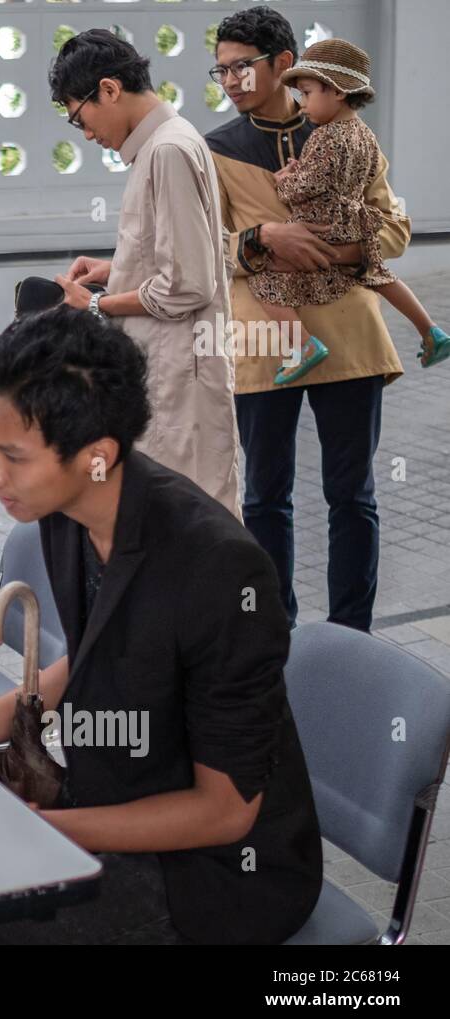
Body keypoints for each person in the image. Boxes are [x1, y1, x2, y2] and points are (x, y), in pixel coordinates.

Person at [0, 307, 321, 945]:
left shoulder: (221, 571)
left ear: (97, 457)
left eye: (11, 455)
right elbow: (102, 651)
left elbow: (225, 813)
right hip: (112, 803)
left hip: (218, 874)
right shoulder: (67, 512)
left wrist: (50, 830)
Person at [207, 8, 412, 631]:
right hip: (268, 340)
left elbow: (396, 227)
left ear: (285, 63)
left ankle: (353, 636)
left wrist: (334, 248)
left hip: (349, 338)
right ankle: (277, 634)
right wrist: (264, 237)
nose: (232, 81)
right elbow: (201, 245)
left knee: (354, 498)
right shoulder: (212, 150)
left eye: (244, 66)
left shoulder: (349, 132)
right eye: (221, 71)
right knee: (265, 499)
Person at [50, 30, 240, 517]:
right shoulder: (167, 142)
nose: (88, 134)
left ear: (109, 90)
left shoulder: (167, 151)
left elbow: (189, 284)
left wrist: (95, 303)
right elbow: (188, 255)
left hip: (179, 375)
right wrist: (117, 269)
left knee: (187, 527)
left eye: (81, 118)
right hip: (173, 368)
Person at [250, 39, 449, 383]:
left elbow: (305, 187)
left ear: (338, 91)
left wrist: (284, 182)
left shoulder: (325, 136)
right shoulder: (365, 134)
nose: (303, 104)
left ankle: (303, 346)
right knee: (379, 274)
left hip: (322, 225)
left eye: (308, 93)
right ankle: (431, 331)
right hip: (356, 221)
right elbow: (355, 174)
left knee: (263, 274)